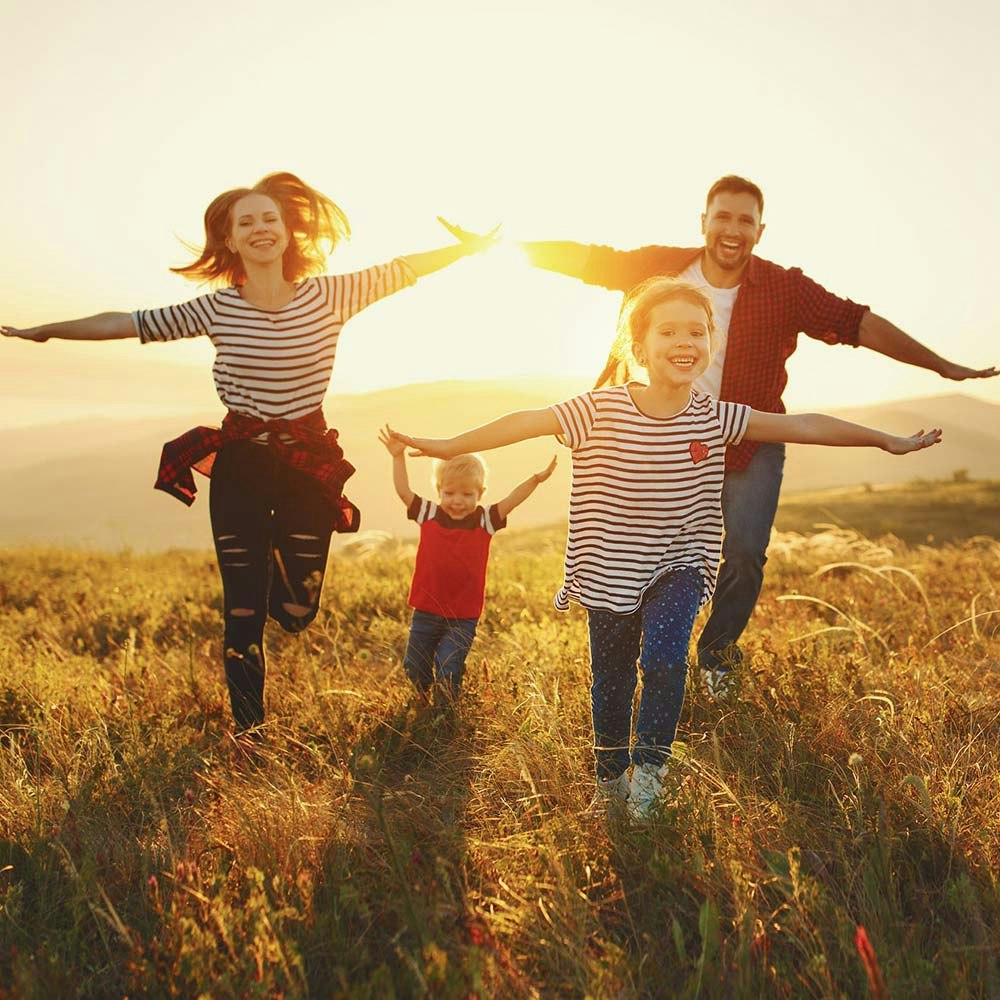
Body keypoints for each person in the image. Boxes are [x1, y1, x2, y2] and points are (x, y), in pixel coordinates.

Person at [389, 278, 940, 818]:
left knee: (665, 659)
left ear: (709, 346)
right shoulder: (597, 410)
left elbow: (801, 425)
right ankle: (609, 778)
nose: (685, 342)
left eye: (697, 332)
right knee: (611, 678)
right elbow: (525, 422)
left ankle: (651, 774)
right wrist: (445, 446)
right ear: (639, 348)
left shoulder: (716, 416)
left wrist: (882, 438)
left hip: (680, 565)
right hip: (608, 570)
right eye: (669, 331)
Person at [440, 176, 995, 692]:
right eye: (723, 217)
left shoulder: (783, 287)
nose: (733, 230)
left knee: (747, 551)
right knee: (647, 549)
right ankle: (644, 649)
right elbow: (587, 260)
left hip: (748, 434)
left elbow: (858, 323)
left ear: (760, 229)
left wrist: (943, 366)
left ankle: (718, 657)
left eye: (746, 221)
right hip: (661, 436)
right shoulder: (662, 268)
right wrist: (494, 249)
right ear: (703, 220)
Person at [2, 171, 497, 735]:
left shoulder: (330, 294)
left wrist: (467, 247)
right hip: (240, 463)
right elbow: (126, 322)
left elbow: (404, 269)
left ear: (287, 233)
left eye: (270, 219)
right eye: (246, 223)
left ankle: (264, 577)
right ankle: (249, 732)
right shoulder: (215, 310)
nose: (260, 228)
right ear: (231, 241)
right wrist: (47, 330)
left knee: (295, 611)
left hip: (306, 466)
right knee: (240, 614)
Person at [379, 426, 555, 703]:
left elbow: (512, 501)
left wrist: (535, 479)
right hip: (425, 610)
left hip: (463, 616)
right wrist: (397, 457)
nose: (457, 501)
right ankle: (422, 704)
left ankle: (446, 712)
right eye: (449, 493)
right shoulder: (429, 514)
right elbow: (404, 491)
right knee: (415, 666)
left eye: (466, 495)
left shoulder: (484, 520)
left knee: (448, 666)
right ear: (439, 491)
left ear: (480, 494)